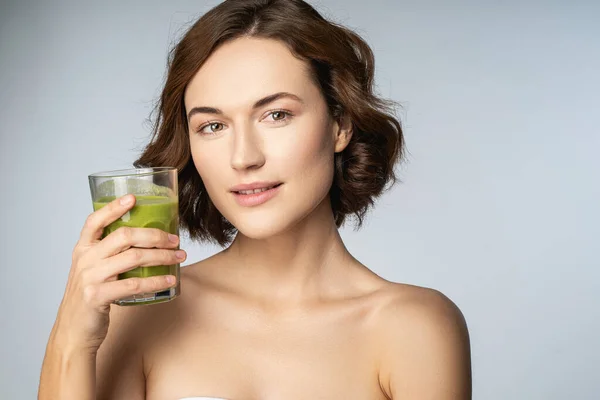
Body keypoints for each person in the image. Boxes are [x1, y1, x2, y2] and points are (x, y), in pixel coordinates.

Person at [39, 0, 471, 399]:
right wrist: (72, 337)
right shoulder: (142, 312)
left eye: (276, 115)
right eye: (213, 126)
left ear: (340, 124)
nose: (244, 157)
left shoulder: (414, 327)